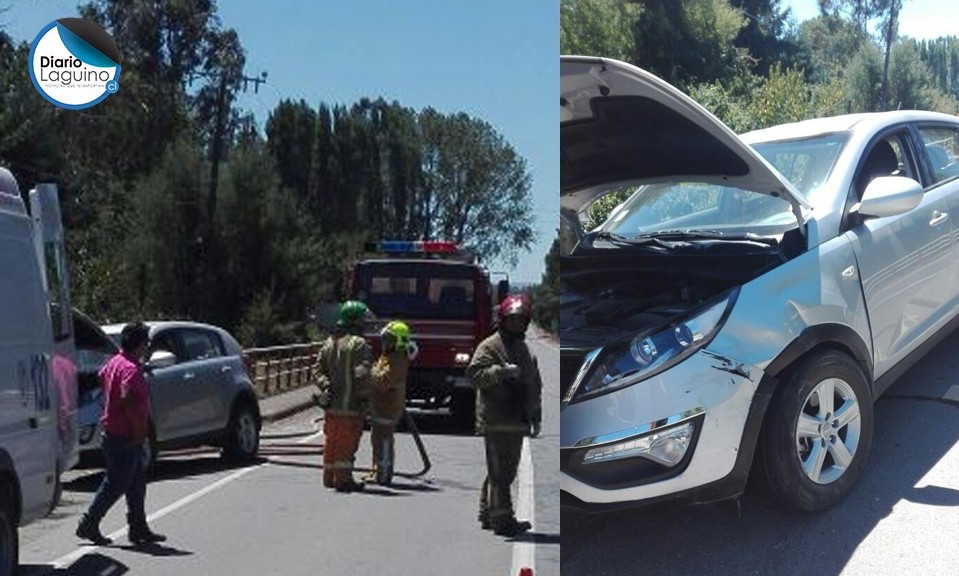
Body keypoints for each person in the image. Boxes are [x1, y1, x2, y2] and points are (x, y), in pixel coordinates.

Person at [76, 322, 166, 546]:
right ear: (140, 344)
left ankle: (138, 527)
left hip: (114, 432)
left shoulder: (116, 362)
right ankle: (89, 523)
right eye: (146, 342)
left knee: (136, 483)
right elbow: (127, 397)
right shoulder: (131, 369)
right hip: (124, 434)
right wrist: (138, 428)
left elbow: (102, 376)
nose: (147, 347)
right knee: (115, 483)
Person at [467, 294, 542, 537]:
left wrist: (535, 414)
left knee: (503, 472)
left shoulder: (524, 349)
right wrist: (500, 372)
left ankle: (487, 512)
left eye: (521, 321)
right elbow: (474, 375)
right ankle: (503, 521)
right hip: (496, 418)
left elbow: (533, 384)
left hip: (517, 419)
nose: (517, 325)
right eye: (512, 321)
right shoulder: (489, 346)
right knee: (501, 473)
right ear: (503, 320)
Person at [313, 300, 373, 492]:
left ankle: (329, 477)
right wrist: (366, 398)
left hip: (331, 408)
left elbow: (317, 371)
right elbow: (361, 375)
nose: (366, 324)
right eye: (363, 319)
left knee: (331, 443)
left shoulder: (329, 343)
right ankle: (343, 480)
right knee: (346, 446)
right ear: (356, 321)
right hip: (351, 407)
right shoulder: (359, 344)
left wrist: (325, 385)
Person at [365, 320, 416, 486]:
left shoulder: (398, 359)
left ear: (397, 341)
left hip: (388, 406)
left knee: (384, 441)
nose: (384, 342)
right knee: (377, 439)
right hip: (381, 405)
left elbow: (384, 381)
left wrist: (368, 371)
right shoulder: (389, 356)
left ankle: (384, 473)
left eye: (388, 339)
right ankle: (377, 470)